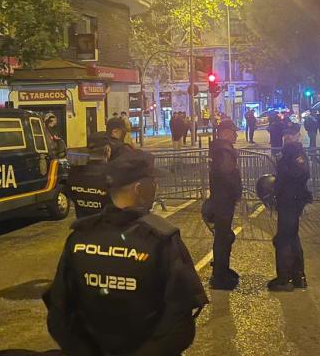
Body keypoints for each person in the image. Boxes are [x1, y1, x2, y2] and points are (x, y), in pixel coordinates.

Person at [44, 150, 209, 356]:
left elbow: (58, 315)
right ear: (139, 189)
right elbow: (179, 326)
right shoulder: (161, 240)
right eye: (153, 181)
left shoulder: (79, 237)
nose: (156, 187)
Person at [268, 123, 312, 291]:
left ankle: (285, 278)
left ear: (298, 136)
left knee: (283, 239)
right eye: (286, 134)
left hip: (291, 201)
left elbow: (298, 174)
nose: (288, 137)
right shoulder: (289, 153)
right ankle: (298, 276)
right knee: (292, 238)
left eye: (291, 134)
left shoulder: (295, 153)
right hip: (288, 200)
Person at [207, 120, 243, 290]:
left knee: (223, 236)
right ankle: (220, 275)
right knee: (223, 237)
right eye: (233, 131)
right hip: (223, 200)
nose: (236, 135)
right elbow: (226, 173)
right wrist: (236, 191)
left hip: (220, 199)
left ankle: (222, 271)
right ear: (226, 132)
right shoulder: (224, 150)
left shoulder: (220, 148)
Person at [67, 132, 112, 218]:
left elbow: (71, 195)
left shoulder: (74, 173)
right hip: (106, 228)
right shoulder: (112, 174)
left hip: (82, 226)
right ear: (107, 150)